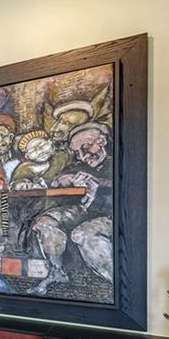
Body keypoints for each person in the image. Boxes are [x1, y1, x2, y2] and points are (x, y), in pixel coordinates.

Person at [28, 122, 114, 296]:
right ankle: (56, 271)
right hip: (84, 209)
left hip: (110, 213)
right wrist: (69, 179)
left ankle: (116, 281)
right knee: (44, 224)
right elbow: (56, 181)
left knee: (81, 234)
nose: (82, 156)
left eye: (86, 148)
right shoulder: (77, 165)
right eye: (77, 153)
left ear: (102, 141)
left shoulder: (115, 162)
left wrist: (98, 183)